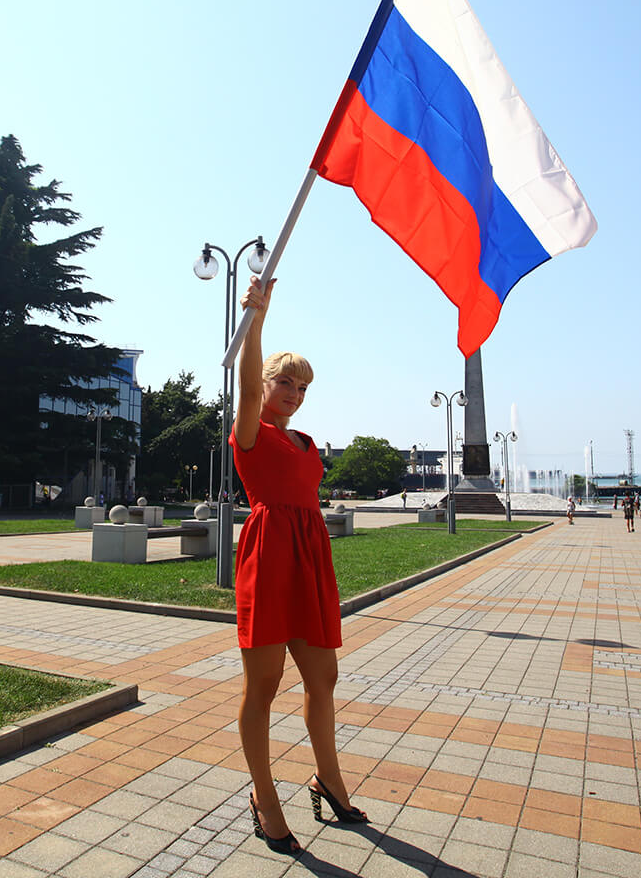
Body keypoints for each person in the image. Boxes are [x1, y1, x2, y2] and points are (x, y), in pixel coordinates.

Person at [231, 276, 367, 856]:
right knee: (262, 686)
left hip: (310, 562)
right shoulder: (249, 435)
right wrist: (258, 319)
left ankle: (328, 778)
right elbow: (246, 390)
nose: (292, 391)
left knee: (324, 677)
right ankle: (264, 796)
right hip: (268, 561)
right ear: (264, 386)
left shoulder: (309, 444)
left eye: (301, 385)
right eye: (283, 381)